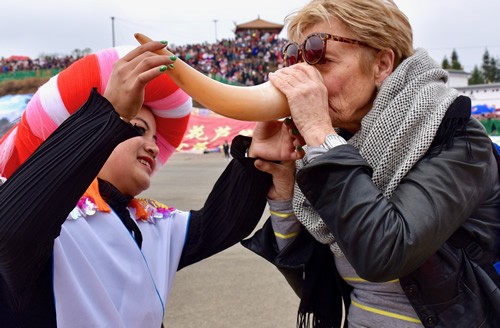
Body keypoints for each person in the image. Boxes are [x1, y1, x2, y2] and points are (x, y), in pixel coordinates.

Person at [239, 0, 500, 327]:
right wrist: (283, 184)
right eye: (297, 59)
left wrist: (321, 136)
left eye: (321, 58)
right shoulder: (341, 144)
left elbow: (385, 252)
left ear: (382, 64)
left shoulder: (457, 137)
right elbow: (311, 274)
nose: (306, 79)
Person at [0, 41, 293, 327]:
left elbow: (217, 226)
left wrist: (256, 158)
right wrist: (109, 114)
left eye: (154, 137)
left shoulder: (151, 224)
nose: (153, 147)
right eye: (137, 128)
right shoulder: (53, 222)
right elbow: (10, 231)